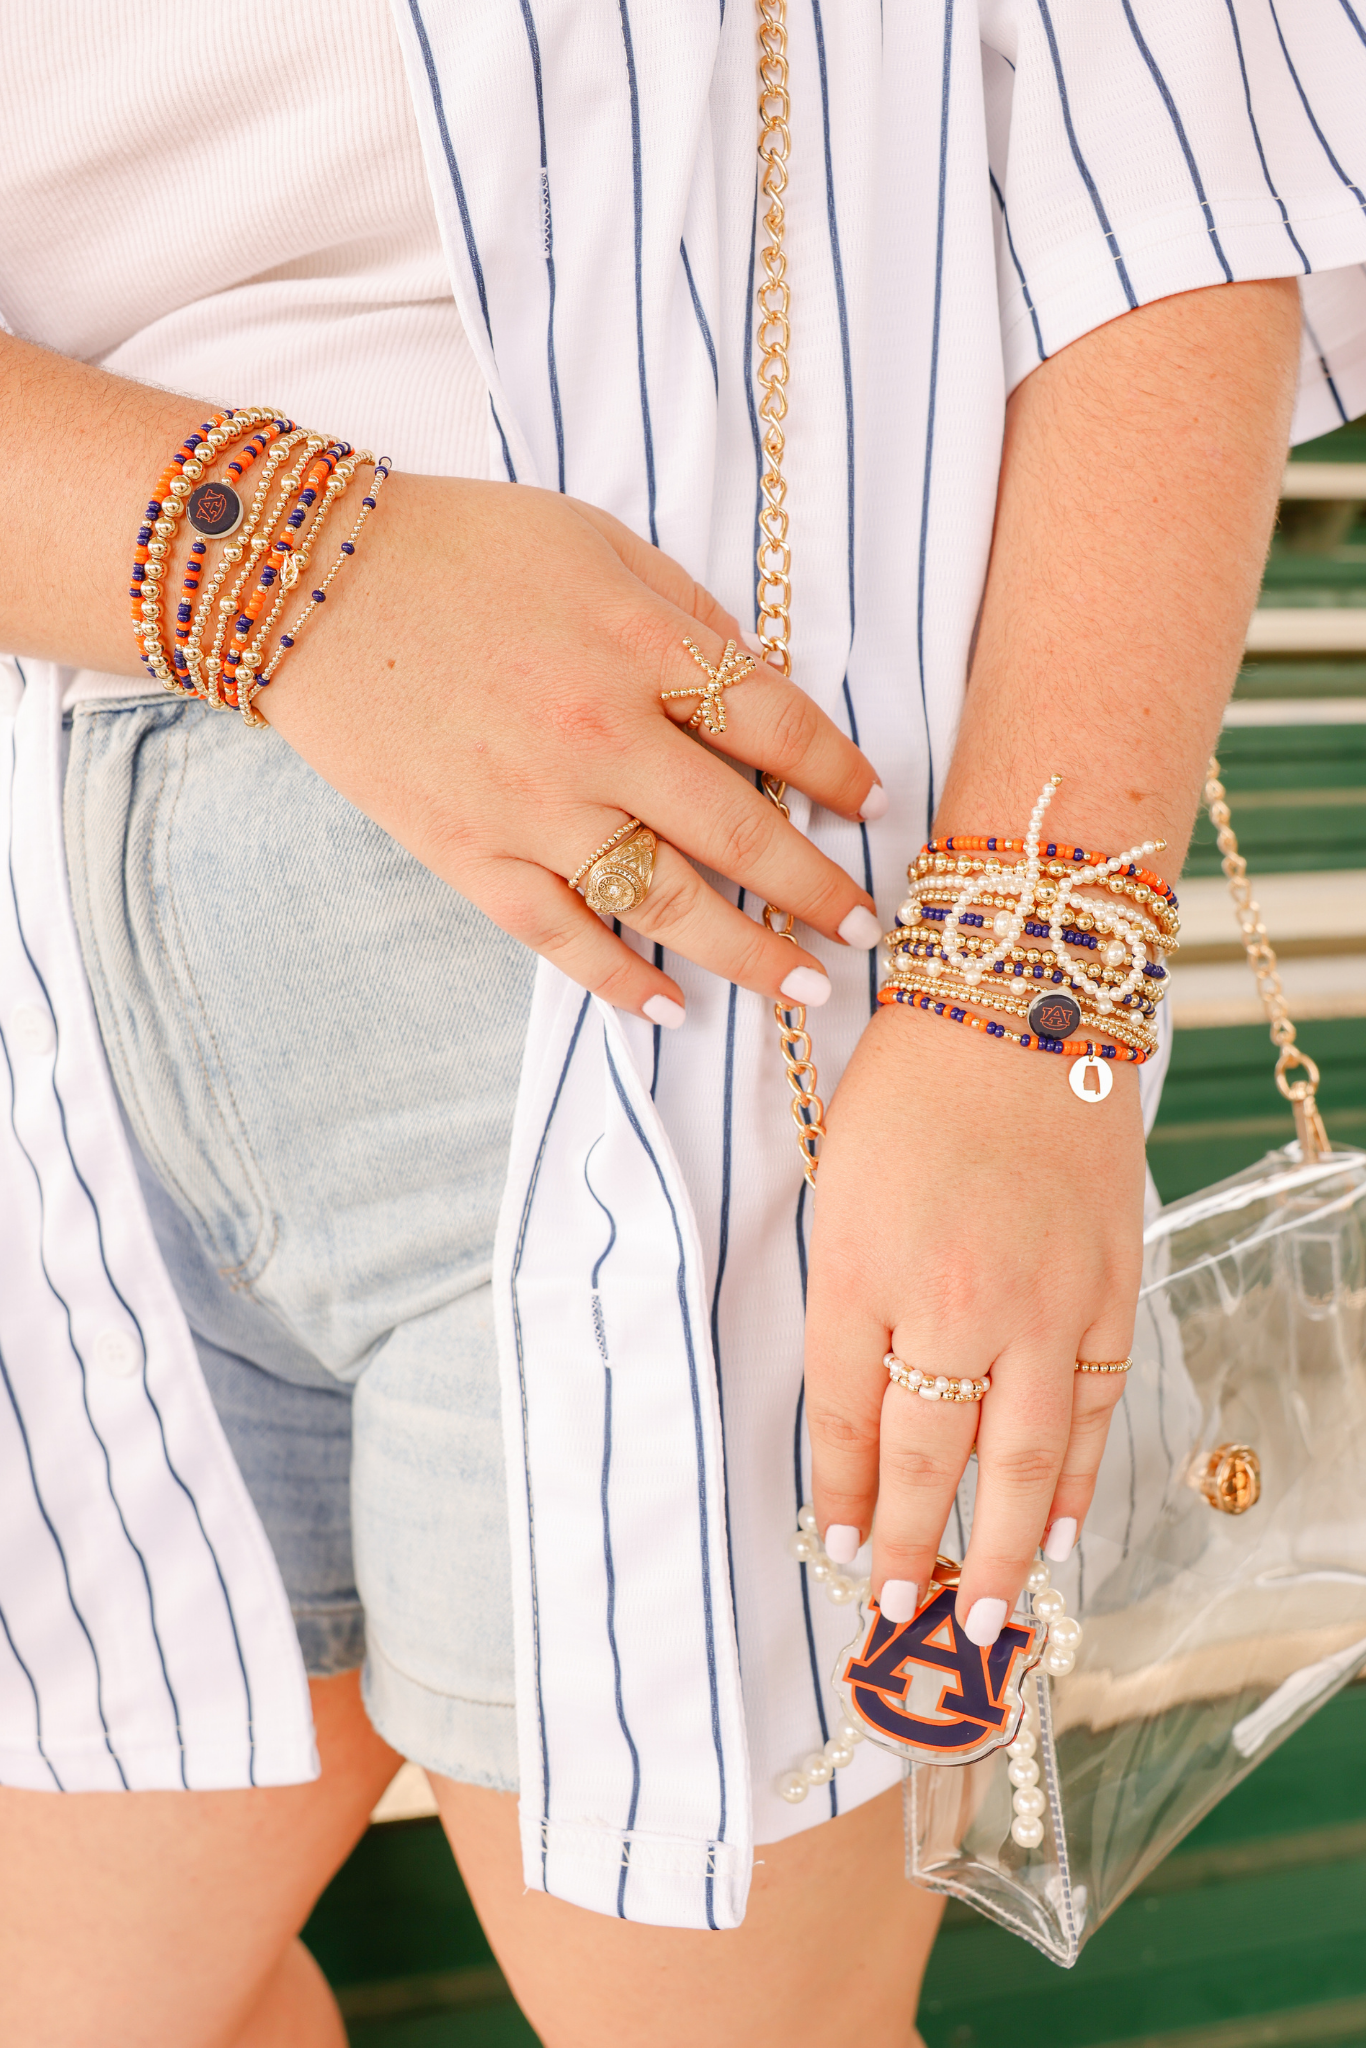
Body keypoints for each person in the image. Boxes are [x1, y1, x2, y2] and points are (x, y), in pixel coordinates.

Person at [1, 3, 1363, 2043]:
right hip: (46, 930)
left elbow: (1169, 157)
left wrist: (1019, 1008)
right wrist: (294, 576)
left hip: (693, 924)